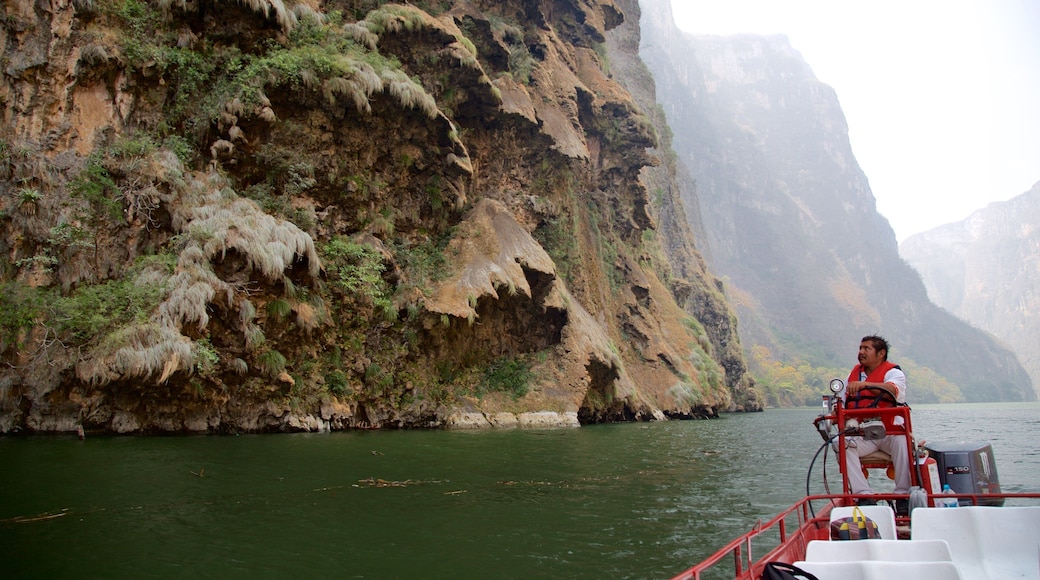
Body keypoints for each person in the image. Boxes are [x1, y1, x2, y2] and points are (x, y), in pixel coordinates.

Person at [843, 335, 911, 510]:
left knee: (903, 442)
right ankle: (863, 495)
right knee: (841, 443)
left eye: (866, 348)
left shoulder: (894, 373)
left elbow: (893, 391)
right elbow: (842, 404)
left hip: (890, 434)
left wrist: (865, 386)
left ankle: (903, 495)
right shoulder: (851, 377)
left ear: (881, 353)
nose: (861, 352)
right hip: (865, 435)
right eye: (860, 348)